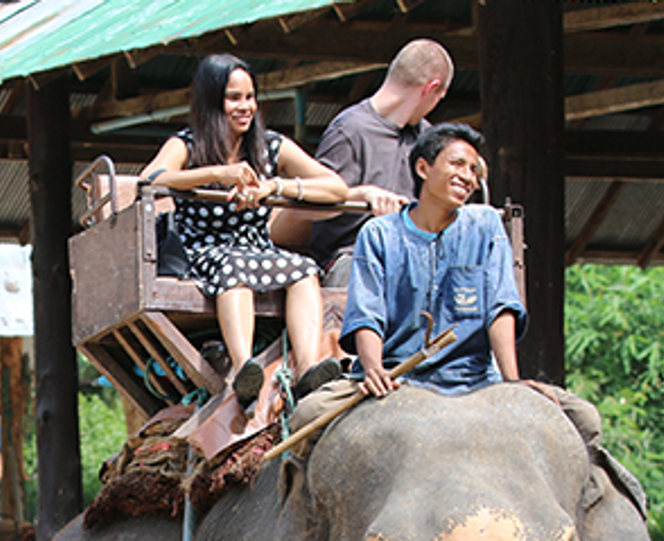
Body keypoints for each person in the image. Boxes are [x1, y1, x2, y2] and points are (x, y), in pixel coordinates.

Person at [139, 53, 350, 404]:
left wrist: (276, 187)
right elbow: (150, 178)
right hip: (204, 249)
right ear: (211, 102)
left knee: (304, 270)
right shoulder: (187, 144)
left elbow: (336, 188)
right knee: (234, 268)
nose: (245, 106)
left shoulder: (270, 146)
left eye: (250, 97)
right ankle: (242, 368)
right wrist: (216, 174)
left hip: (257, 246)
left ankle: (308, 368)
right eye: (234, 98)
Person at [337, 122, 522, 399]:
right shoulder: (379, 233)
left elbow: (501, 307)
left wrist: (512, 383)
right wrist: (374, 371)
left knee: (583, 417)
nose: (468, 177)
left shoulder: (486, 225)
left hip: (472, 377)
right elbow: (366, 314)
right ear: (423, 169)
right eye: (458, 164)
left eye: (473, 170)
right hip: (396, 373)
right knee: (310, 411)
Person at [271, 39, 453, 289]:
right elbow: (302, 209)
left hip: (414, 257)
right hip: (351, 258)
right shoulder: (350, 131)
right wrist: (361, 196)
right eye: (438, 98)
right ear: (429, 89)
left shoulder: (426, 137)